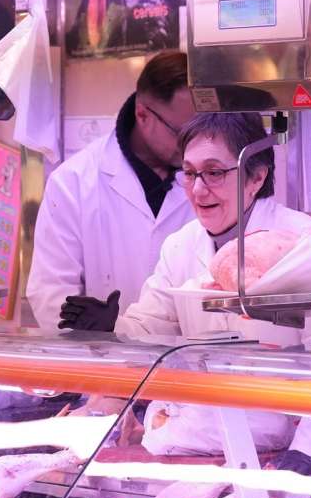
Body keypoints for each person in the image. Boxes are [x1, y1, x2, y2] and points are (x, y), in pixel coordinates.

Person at [113, 113, 311, 467]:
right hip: (235, 448)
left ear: (256, 177)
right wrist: (108, 327)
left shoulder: (306, 243)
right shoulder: (180, 247)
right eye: (190, 173)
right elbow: (150, 331)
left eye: (214, 173)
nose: (198, 190)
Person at [28, 50, 196, 333]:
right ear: (142, 115)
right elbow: (51, 296)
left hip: (193, 355)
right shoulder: (73, 183)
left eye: (198, 129)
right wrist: (103, 333)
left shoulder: (210, 180)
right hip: (103, 355)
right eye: (181, 133)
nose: (191, 144)